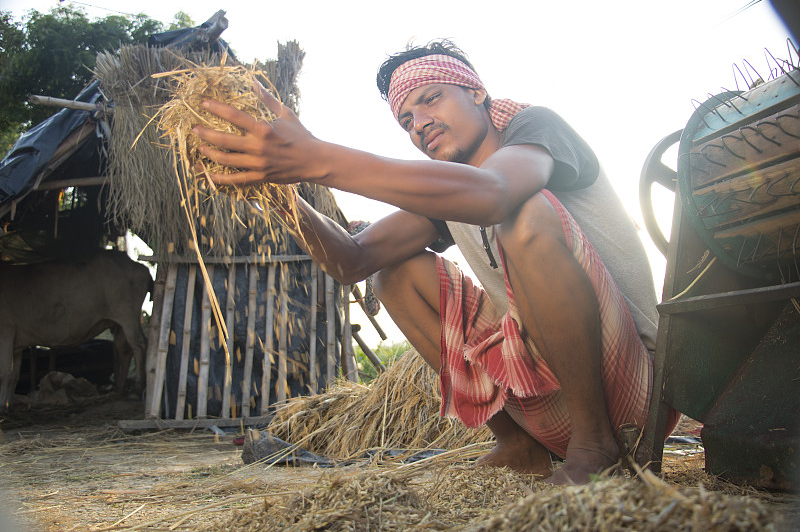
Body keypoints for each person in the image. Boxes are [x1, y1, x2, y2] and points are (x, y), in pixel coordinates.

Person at [193, 40, 679, 484]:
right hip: (548, 405)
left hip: (635, 395)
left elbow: (496, 194)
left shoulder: (533, 128)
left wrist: (317, 157)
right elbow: (351, 261)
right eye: (405, 119)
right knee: (394, 273)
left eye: (431, 97)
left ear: (478, 93)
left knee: (523, 213)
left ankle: (597, 444)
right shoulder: (454, 189)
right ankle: (520, 444)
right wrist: (279, 191)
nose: (419, 121)